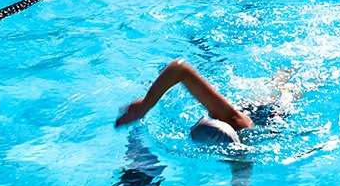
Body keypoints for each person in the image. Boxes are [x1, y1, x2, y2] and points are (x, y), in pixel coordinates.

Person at [115, 59, 296, 148]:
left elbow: (242, 182)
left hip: (272, 116)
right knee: (268, 93)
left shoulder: (238, 140)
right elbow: (179, 68)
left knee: (284, 93)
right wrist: (146, 104)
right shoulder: (222, 114)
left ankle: (289, 75)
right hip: (243, 113)